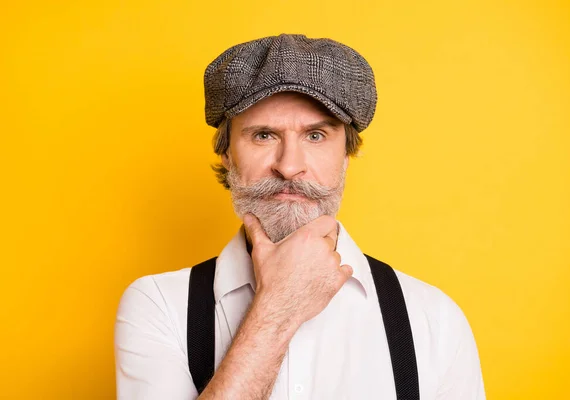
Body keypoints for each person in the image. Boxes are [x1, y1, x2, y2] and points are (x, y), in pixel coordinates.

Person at [115, 34, 486, 400]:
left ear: (346, 155)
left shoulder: (433, 319)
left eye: (316, 136)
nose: (289, 167)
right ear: (227, 155)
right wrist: (278, 307)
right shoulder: (160, 305)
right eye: (263, 135)